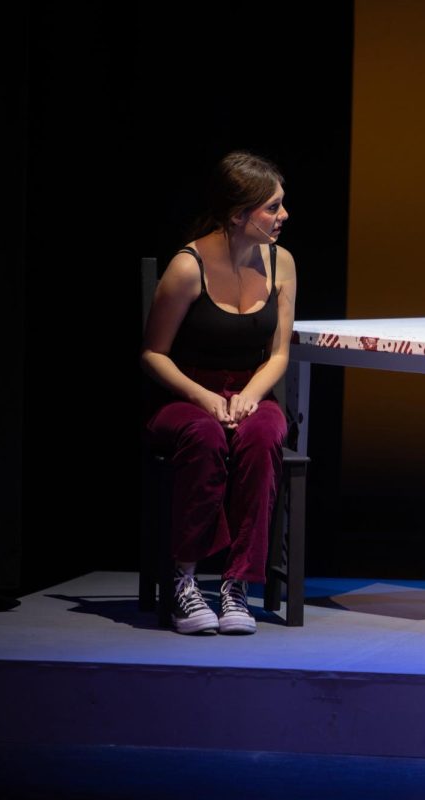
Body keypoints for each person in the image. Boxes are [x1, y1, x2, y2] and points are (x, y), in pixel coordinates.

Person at [141, 151, 296, 635]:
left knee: (264, 432)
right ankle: (185, 581)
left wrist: (250, 394)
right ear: (238, 214)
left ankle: (236, 585)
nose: (282, 216)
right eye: (272, 207)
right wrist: (204, 398)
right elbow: (153, 353)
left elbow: (278, 354)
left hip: (249, 390)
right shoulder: (188, 267)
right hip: (187, 396)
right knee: (205, 438)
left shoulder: (282, 263)